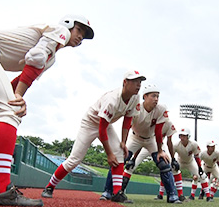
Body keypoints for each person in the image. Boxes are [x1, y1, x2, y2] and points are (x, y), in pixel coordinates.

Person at [0, 14, 94, 206]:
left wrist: (14, 96)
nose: (81, 37)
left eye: (84, 35)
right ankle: (1, 190)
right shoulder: (58, 31)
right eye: (79, 30)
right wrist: (17, 98)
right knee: (10, 113)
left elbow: (21, 78)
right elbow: (35, 58)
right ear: (68, 26)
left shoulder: (51, 54)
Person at [41, 70, 145, 203]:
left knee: (119, 152)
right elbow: (101, 130)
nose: (138, 85)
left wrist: (123, 142)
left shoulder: (135, 97)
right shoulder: (112, 99)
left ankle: (117, 193)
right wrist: (108, 154)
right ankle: (49, 187)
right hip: (90, 123)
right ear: (125, 82)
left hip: (106, 125)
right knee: (74, 159)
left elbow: (127, 120)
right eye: (135, 81)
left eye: (140, 82)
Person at [100, 84, 182, 203]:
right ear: (145, 96)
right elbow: (127, 126)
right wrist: (123, 143)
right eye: (153, 96)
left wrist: (160, 151)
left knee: (164, 163)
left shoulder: (161, 108)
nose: (156, 99)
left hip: (151, 139)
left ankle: (172, 196)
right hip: (135, 137)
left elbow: (158, 131)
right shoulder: (136, 107)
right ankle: (108, 191)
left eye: (158, 96)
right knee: (119, 159)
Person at [172, 128, 211, 201]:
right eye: (180, 135)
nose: (182, 137)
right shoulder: (176, 144)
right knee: (171, 172)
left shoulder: (194, 144)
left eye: (184, 135)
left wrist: (200, 167)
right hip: (180, 161)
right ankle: (180, 195)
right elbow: (172, 155)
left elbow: (196, 156)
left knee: (201, 176)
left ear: (188, 136)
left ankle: (208, 196)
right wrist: (173, 161)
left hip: (190, 162)